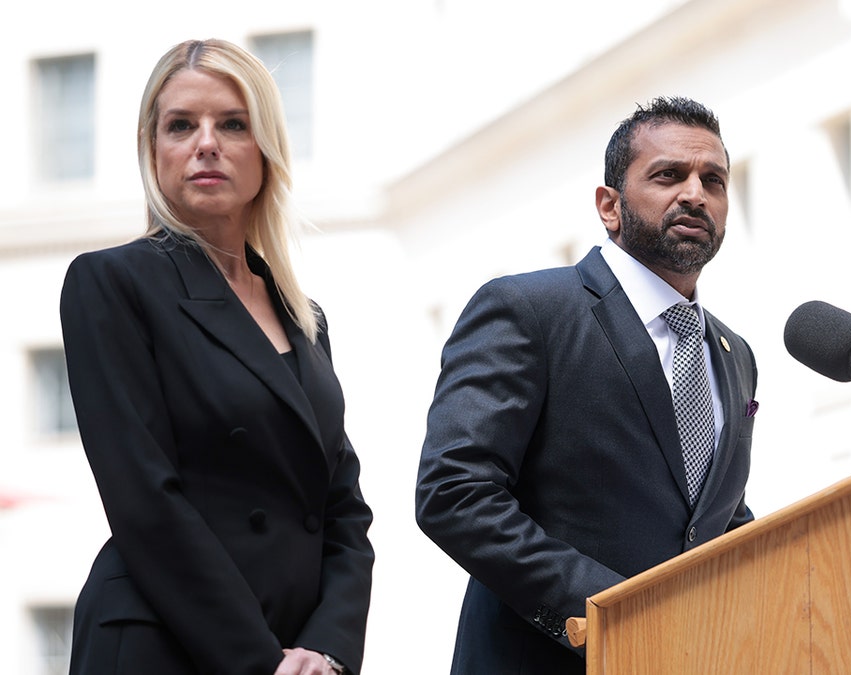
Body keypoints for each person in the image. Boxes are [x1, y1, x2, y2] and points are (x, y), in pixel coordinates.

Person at [60, 39, 373, 675]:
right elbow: (145, 498)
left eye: (233, 124)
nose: (207, 143)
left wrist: (329, 646)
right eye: (181, 125)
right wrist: (261, 663)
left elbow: (343, 505)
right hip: (167, 642)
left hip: (298, 651)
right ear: (154, 149)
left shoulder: (304, 318)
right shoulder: (111, 283)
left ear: (266, 149)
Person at [415, 96, 758, 673]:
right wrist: (612, 613)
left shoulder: (734, 354)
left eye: (714, 180)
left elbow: (710, 517)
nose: (695, 194)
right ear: (610, 205)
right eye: (668, 175)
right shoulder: (529, 309)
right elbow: (455, 492)